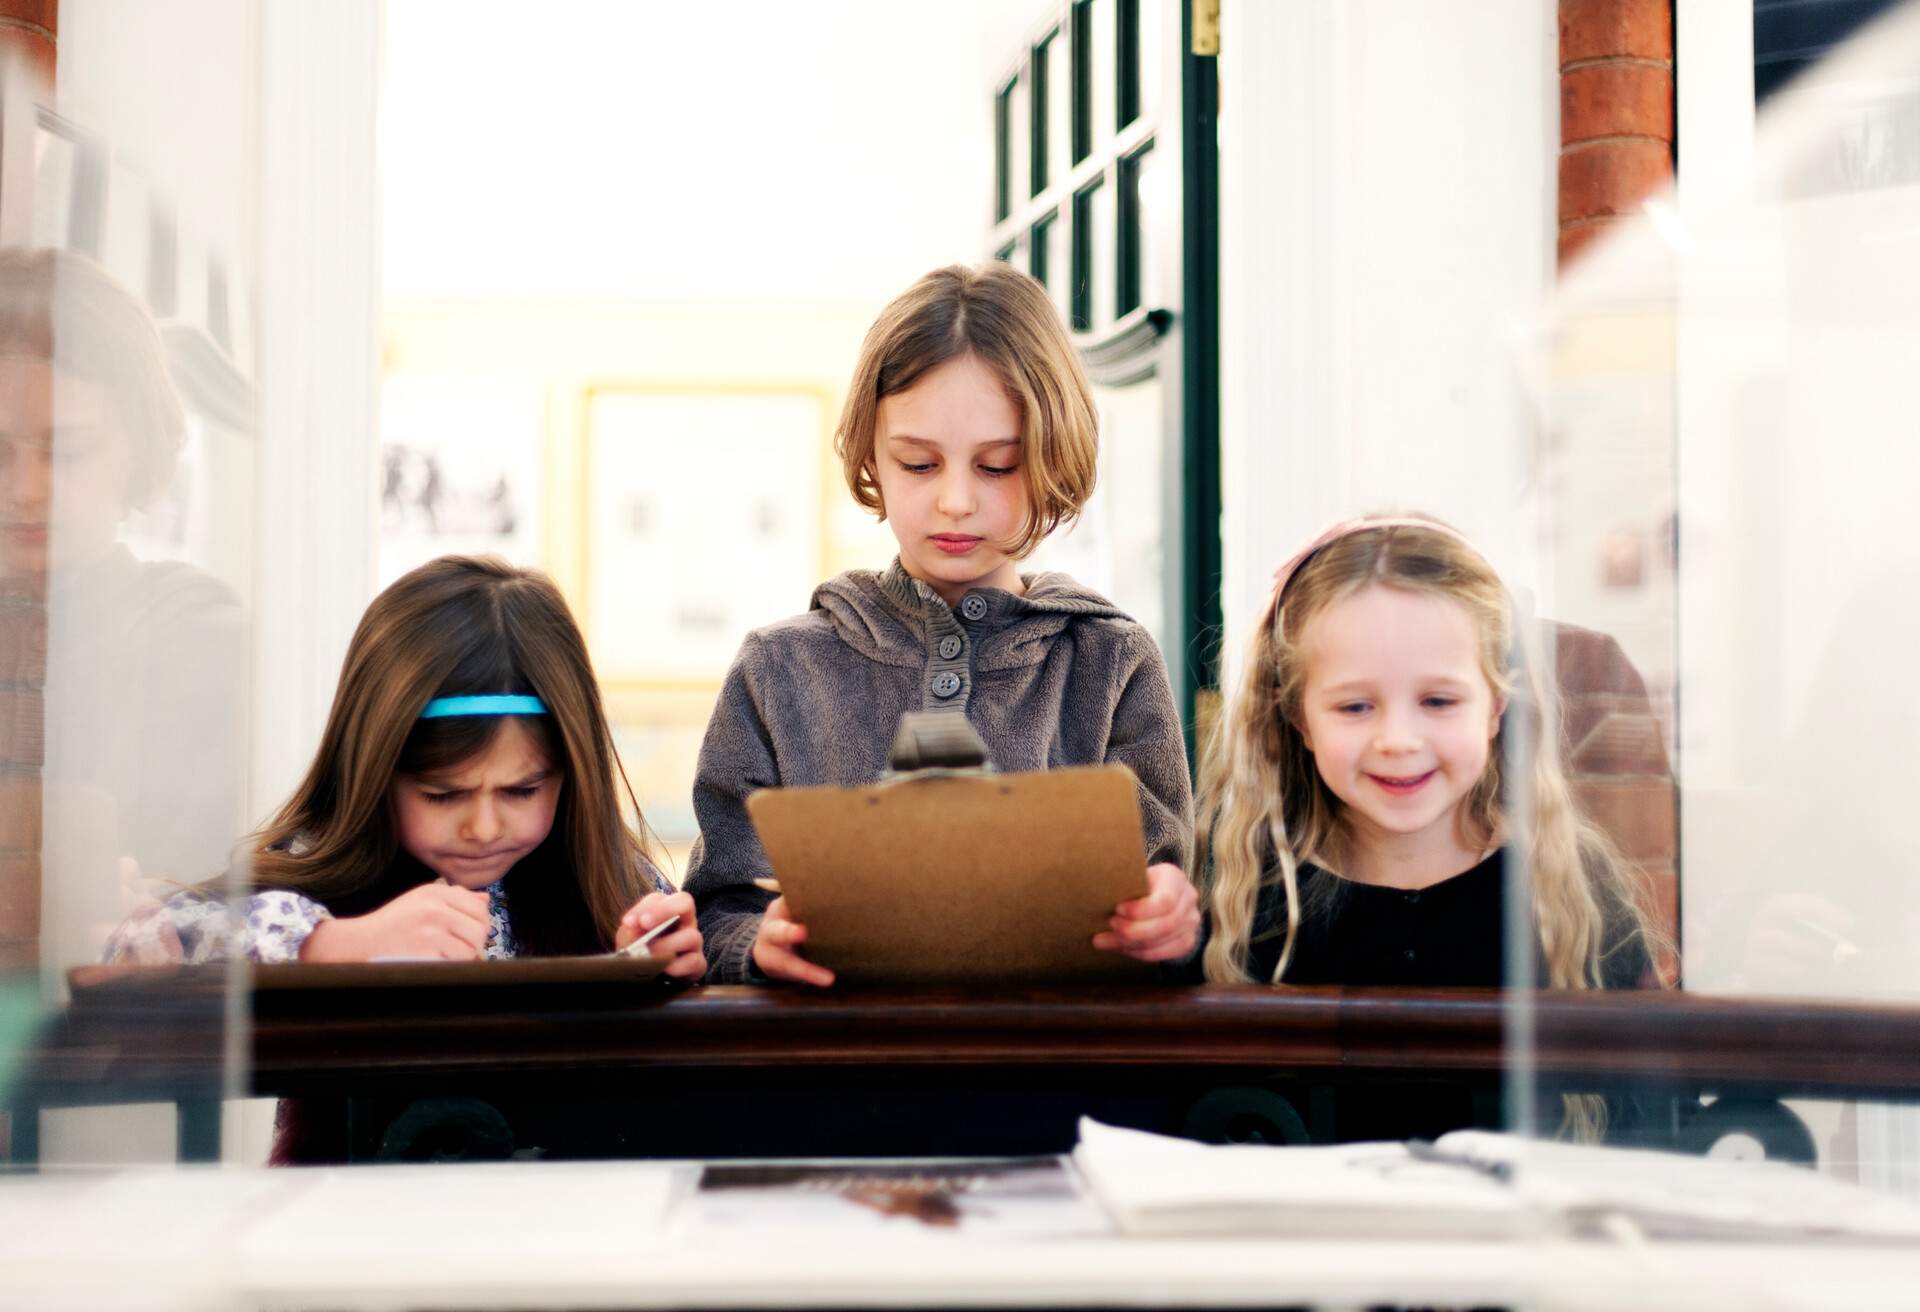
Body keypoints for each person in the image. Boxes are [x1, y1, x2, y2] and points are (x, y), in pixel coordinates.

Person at [684, 263, 1196, 986]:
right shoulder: (778, 667)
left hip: (1050, 1076)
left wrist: (1172, 924)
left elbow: (1169, 900)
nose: (955, 501)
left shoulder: (1111, 661)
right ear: (870, 454)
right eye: (919, 464)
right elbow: (712, 913)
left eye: (998, 467)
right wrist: (753, 944)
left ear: (1055, 457)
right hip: (835, 1082)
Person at [1195, 516, 1660, 1137]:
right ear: (1297, 717)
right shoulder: (1243, 887)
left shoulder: (1569, 885)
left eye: (1439, 701)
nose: (1398, 741)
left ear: (1496, 704)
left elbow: (1642, 1117)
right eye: (1355, 706)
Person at [107, 554, 704, 975]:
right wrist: (337, 943)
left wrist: (648, 968)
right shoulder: (310, 877)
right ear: (373, 774)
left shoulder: (615, 887)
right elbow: (139, 943)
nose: (485, 828)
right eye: (442, 795)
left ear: (573, 775)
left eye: (522, 791)